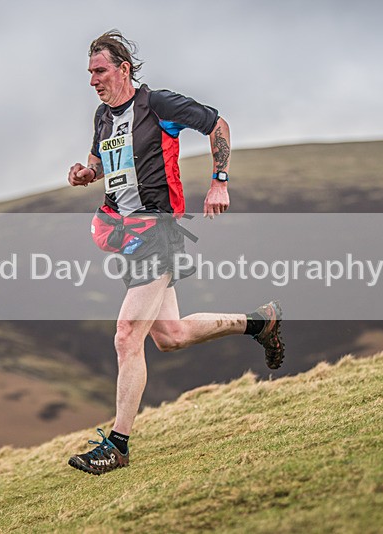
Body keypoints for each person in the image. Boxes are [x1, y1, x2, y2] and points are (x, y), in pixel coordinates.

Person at [66, 30, 284, 475]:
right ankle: (260, 323)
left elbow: (217, 124)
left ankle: (118, 446)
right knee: (170, 336)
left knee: (127, 335)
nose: (92, 80)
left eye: (100, 71)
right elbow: (99, 161)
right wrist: (85, 171)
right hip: (128, 235)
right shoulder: (103, 117)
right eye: (89, 72)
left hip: (160, 231)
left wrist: (220, 180)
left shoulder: (157, 105)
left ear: (124, 69)